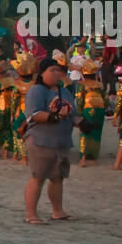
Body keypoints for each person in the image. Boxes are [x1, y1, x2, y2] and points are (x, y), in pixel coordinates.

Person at [22, 57, 77, 225]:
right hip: (41, 140)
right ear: (42, 73)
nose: (56, 73)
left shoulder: (64, 91)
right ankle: (31, 214)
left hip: (61, 140)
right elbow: (33, 114)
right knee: (38, 177)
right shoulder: (37, 90)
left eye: (58, 70)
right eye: (52, 70)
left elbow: (72, 112)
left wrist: (83, 122)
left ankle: (58, 211)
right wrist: (53, 116)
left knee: (57, 177)